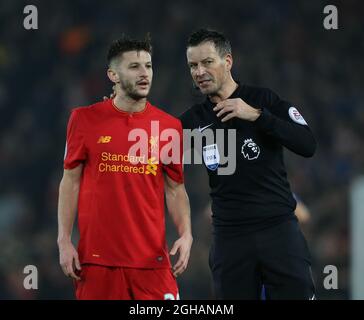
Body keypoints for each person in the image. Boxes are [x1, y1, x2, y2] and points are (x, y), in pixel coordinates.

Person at [179, 29, 317, 300]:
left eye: (207, 62)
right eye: (193, 65)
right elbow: (152, 154)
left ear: (227, 61)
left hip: (278, 230)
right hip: (230, 240)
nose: (199, 71)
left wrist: (256, 116)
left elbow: (307, 144)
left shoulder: (262, 100)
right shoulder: (192, 121)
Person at [57, 35, 193, 300]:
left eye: (149, 66)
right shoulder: (84, 119)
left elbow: (176, 188)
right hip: (97, 263)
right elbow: (70, 181)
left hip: (152, 263)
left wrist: (186, 234)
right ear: (113, 75)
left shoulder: (170, 127)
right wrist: (63, 241)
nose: (144, 74)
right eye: (134, 67)